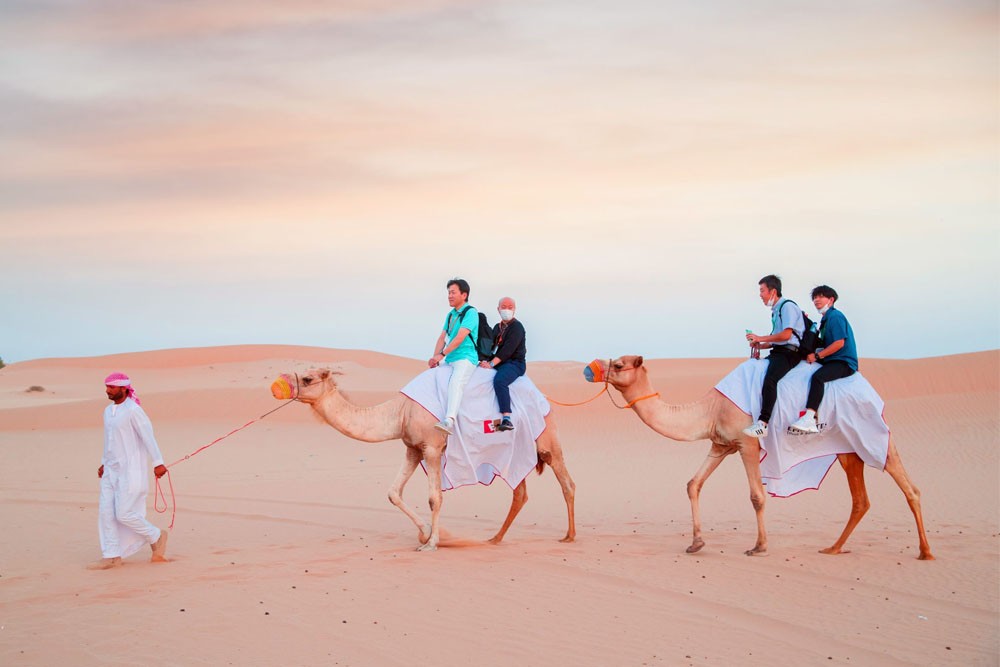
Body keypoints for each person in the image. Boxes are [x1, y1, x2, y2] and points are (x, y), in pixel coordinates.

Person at [89, 372, 169, 570]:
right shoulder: (108, 411)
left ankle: (156, 536)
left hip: (130, 470)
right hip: (110, 470)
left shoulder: (134, 410)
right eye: (107, 387)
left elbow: (148, 437)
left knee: (124, 513)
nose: (108, 390)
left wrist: (158, 462)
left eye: (112, 387)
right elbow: (109, 440)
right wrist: (103, 463)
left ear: (124, 388)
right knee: (106, 513)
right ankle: (112, 555)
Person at [789, 285, 859, 434]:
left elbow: (839, 343)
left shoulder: (835, 317)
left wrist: (817, 356)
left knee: (818, 378)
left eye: (821, 296)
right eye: (815, 297)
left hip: (843, 362)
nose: (816, 300)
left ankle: (809, 417)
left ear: (831, 299)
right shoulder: (825, 320)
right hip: (832, 359)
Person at [743, 274, 805, 438]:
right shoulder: (776, 311)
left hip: (790, 353)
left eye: (762, 290)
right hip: (779, 351)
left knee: (771, 379)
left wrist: (760, 337)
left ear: (773, 291)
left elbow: (786, 335)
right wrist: (759, 345)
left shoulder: (787, 307)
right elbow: (775, 339)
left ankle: (763, 423)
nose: (760, 295)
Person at [428, 278, 479, 435]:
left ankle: (449, 420)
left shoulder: (471, 313)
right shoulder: (450, 315)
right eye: (448, 293)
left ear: (464, 295)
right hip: (450, 359)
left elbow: (460, 337)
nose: (449, 296)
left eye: (453, 292)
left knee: (456, 383)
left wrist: (441, 355)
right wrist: (435, 357)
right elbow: (442, 337)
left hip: (465, 358)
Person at [478, 297, 527, 432]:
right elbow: (491, 347)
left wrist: (492, 363)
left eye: (510, 307)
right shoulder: (497, 328)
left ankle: (507, 417)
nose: (507, 309)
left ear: (515, 309)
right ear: (498, 309)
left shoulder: (517, 327)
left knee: (500, 380)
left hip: (514, 363)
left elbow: (507, 350)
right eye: (504, 306)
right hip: (500, 362)